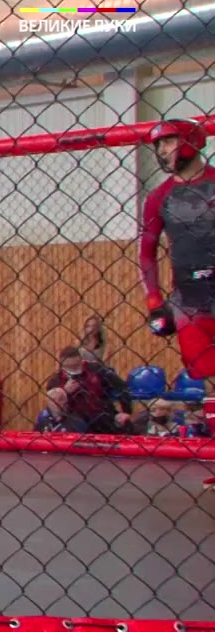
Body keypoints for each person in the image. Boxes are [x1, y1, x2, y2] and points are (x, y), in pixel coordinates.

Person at [139, 118, 215, 489]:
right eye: (158, 145)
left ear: (190, 142)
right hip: (190, 298)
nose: (162, 151)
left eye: (168, 142)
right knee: (211, 382)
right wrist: (154, 300)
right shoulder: (158, 197)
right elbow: (146, 252)